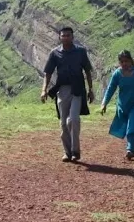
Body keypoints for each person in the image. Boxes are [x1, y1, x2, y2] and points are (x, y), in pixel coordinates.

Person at [41, 27, 95, 162]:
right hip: (62, 90)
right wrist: (44, 90)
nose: (65, 38)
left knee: (73, 120)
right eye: (63, 36)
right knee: (63, 123)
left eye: (68, 35)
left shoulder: (81, 52)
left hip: (77, 90)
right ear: (59, 37)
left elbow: (87, 71)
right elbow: (48, 73)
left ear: (73, 37)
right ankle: (67, 152)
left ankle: (75, 151)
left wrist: (91, 89)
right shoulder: (55, 53)